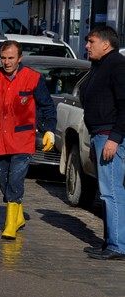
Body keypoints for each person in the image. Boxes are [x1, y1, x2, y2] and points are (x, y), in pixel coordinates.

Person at [0, 40, 56, 240]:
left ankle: (10, 224)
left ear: (20, 59)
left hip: (22, 139)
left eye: (11, 58)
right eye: (4, 58)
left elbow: (47, 106)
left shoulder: (33, 79)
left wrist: (50, 130)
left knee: (15, 178)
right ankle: (17, 215)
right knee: (3, 179)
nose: (7, 62)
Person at [80, 26, 125, 260]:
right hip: (99, 135)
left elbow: (124, 104)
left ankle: (118, 245)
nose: (87, 45)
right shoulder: (99, 65)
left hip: (110, 136)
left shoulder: (117, 64)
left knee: (112, 192)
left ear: (105, 44)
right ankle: (110, 241)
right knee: (105, 191)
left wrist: (114, 138)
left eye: (91, 41)